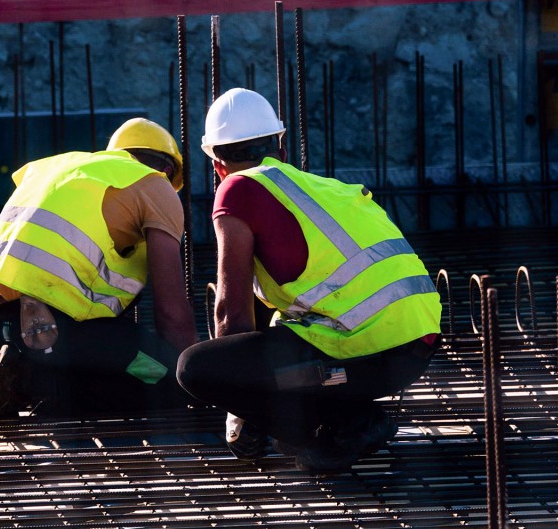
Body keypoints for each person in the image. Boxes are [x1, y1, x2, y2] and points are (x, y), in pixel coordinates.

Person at [176, 88, 441, 472]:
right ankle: (350, 416)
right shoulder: (324, 189)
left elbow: (230, 315)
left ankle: (341, 426)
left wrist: (243, 408)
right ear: (281, 151)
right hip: (416, 346)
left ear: (217, 165)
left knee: (195, 368)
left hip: (363, 352)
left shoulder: (237, 188)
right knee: (278, 329)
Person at [0, 117, 197, 419]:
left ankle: (29, 365)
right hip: (57, 330)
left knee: (104, 349)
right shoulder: (155, 185)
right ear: (167, 171)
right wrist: (191, 375)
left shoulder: (61, 167)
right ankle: (39, 382)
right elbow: (171, 313)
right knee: (163, 377)